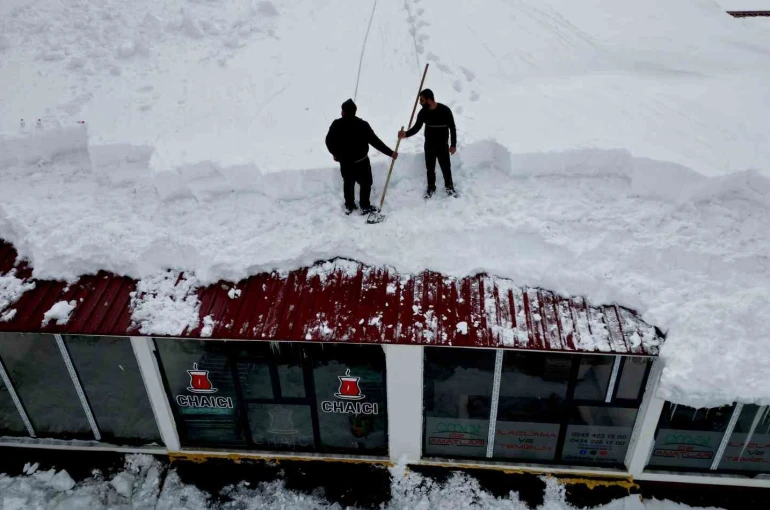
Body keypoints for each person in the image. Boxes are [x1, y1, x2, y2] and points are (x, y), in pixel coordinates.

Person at [325, 99, 398, 215]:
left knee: (348, 183)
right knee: (366, 184)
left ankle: (349, 205)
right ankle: (364, 206)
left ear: (343, 112)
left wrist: (336, 154)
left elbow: (329, 142)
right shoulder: (363, 125)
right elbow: (375, 141)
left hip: (346, 162)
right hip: (362, 162)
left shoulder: (336, 124)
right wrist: (390, 153)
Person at [398, 89, 457, 198]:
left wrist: (453, 145)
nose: (420, 102)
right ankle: (431, 187)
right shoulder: (423, 113)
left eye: (422, 100)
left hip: (443, 145)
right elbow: (416, 128)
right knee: (430, 169)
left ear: (429, 100)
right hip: (429, 145)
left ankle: (449, 187)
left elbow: (452, 128)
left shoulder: (445, 111)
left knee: (446, 168)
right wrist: (405, 134)